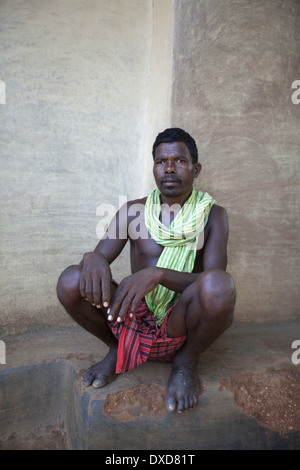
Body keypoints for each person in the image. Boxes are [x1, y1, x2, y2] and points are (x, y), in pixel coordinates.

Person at [57, 128, 236, 413]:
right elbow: (95, 263)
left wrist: (159, 274)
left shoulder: (213, 215)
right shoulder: (133, 211)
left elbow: (213, 280)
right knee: (71, 279)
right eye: (161, 161)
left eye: (179, 160)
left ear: (195, 168)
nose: (169, 168)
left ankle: (186, 362)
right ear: (154, 167)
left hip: (179, 320)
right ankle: (117, 349)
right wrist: (92, 257)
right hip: (132, 314)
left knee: (219, 286)